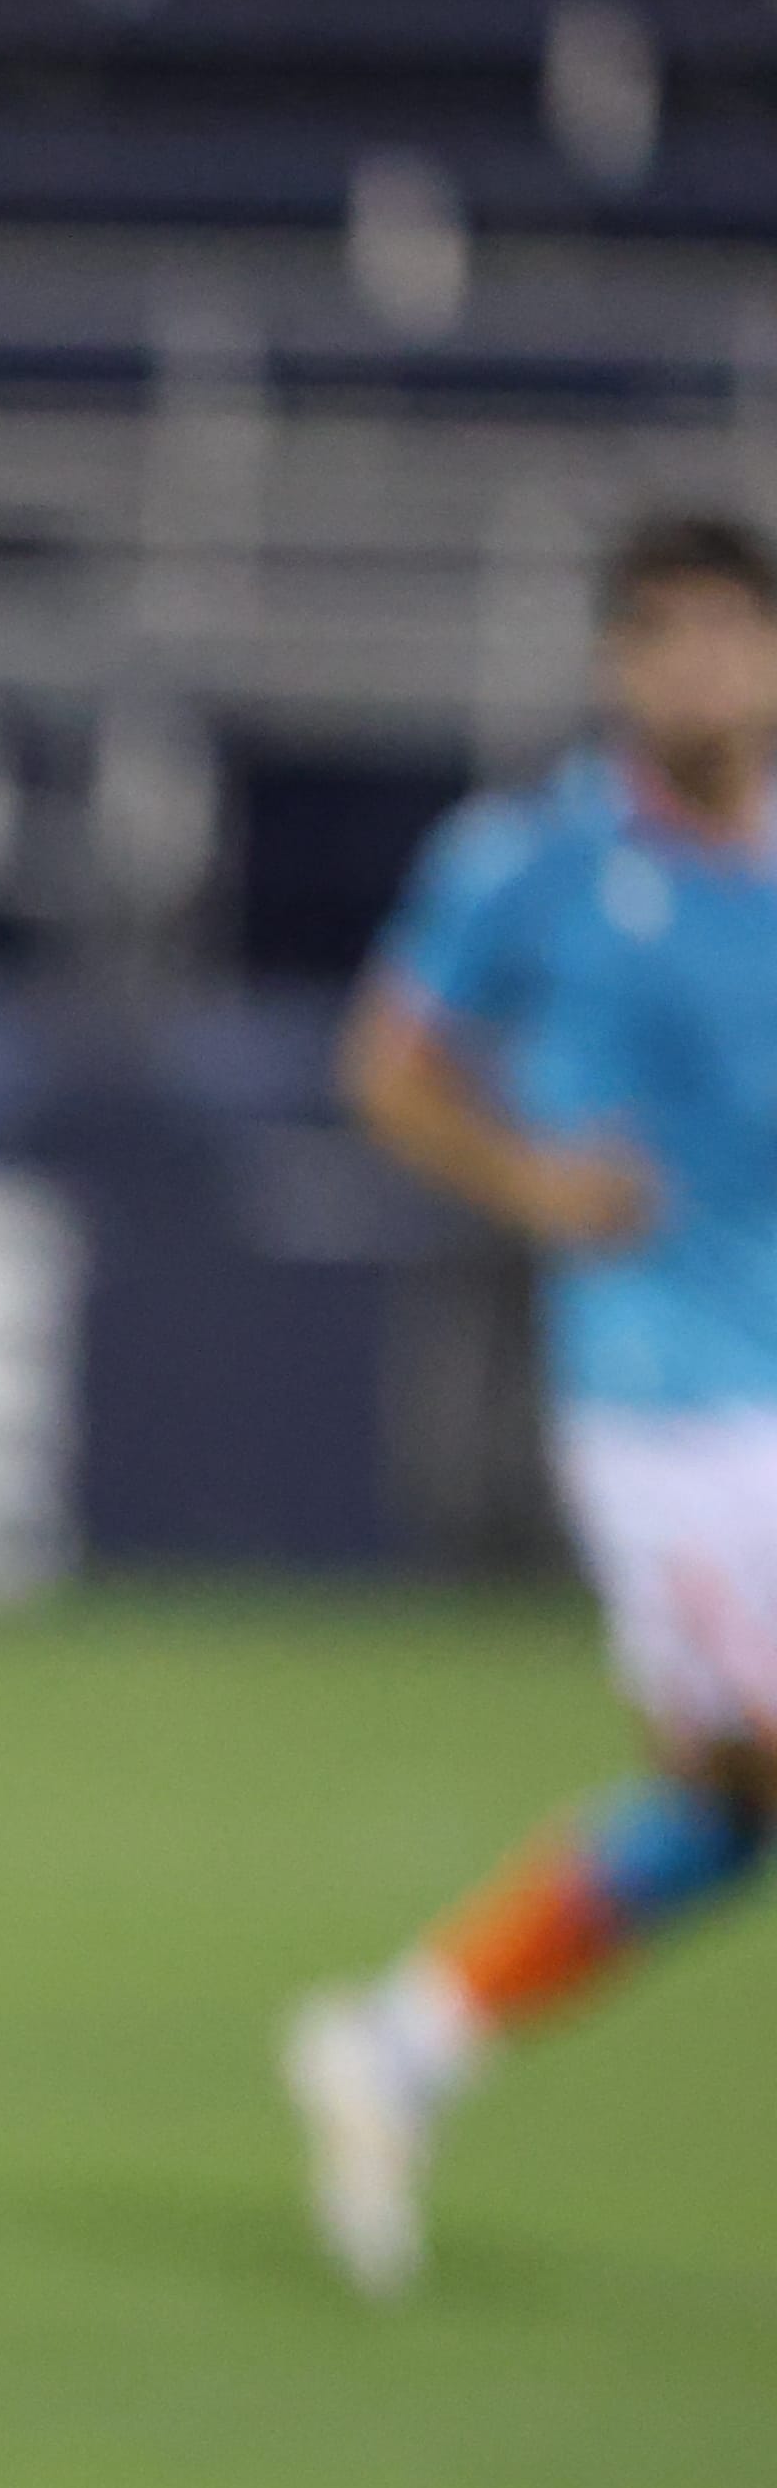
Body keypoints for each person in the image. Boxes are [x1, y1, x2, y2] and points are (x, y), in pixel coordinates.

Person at [288, 509, 777, 2297]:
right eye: (664, 637)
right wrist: (527, 1185)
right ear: (616, 664)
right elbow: (388, 1064)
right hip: (668, 1400)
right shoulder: (539, 860)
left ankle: (401, 2043)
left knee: (730, 1814)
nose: (699, 670)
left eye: (731, 633)